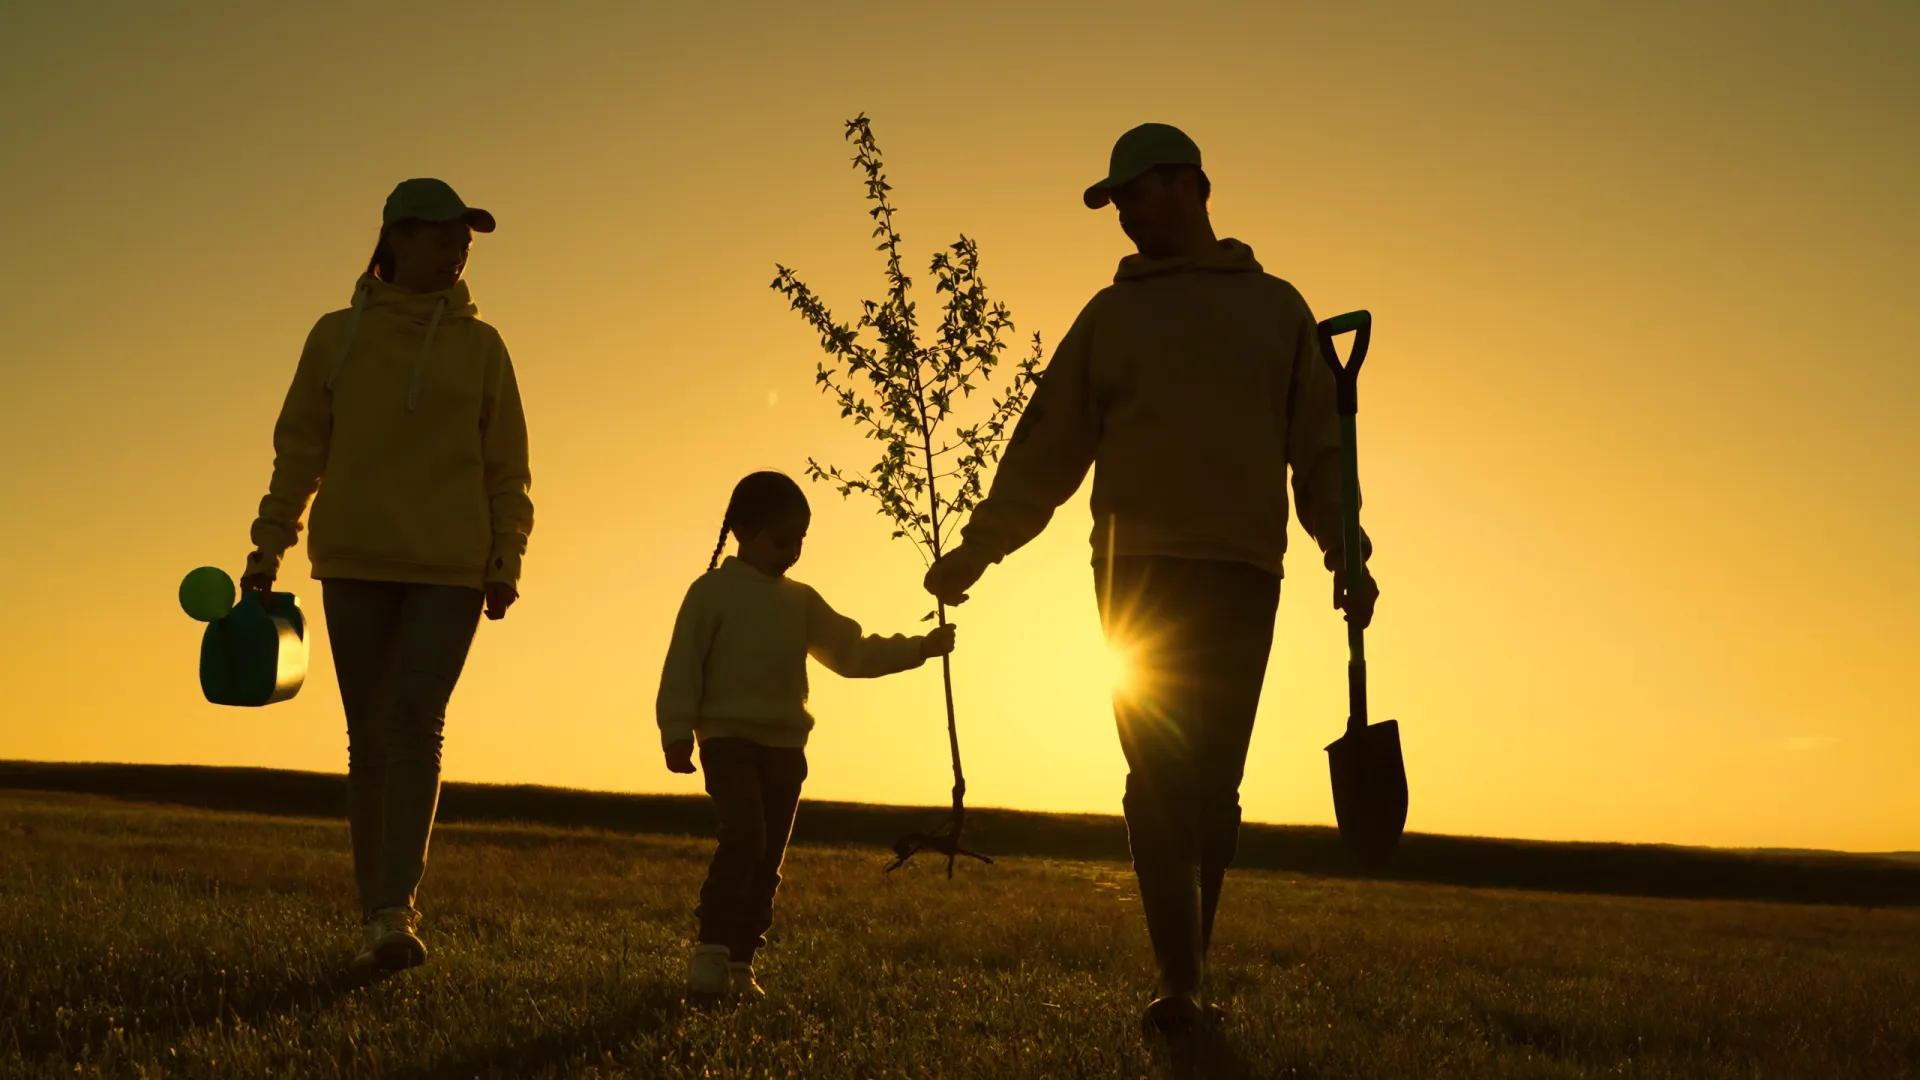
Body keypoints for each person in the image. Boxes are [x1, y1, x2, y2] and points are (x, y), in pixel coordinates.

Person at [923, 124, 1380, 1036]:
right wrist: (981, 545)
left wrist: (1348, 550)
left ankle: (1190, 974)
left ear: (1195, 186)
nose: (1124, 212)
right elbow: (1048, 444)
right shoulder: (1112, 316)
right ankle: (1179, 985)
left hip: (1245, 571)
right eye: (1115, 200)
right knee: (1159, 779)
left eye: (1136, 192)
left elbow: (1320, 454)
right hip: (1137, 572)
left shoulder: (1278, 309)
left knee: (1213, 788)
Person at [239, 178, 534, 971]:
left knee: (414, 726)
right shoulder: (335, 336)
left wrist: (507, 555)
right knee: (368, 739)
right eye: (443, 236)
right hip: (355, 561)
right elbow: (299, 451)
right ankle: (377, 916)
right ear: (395, 239)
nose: (458, 250)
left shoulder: (482, 346)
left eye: (464, 240)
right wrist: (267, 545)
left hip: (450, 569)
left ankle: (396, 911)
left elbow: (509, 467)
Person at [657, 471, 957, 999]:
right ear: (741, 530)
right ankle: (710, 951)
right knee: (745, 837)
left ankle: (741, 962)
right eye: (780, 540)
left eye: (799, 541)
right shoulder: (711, 593)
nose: (791, 552)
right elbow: (683, 665)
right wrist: (677, 730)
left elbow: (852, 651)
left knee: (769, 854)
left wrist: (919, 649)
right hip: (728, 741)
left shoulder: (800, 601)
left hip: (786, 748)